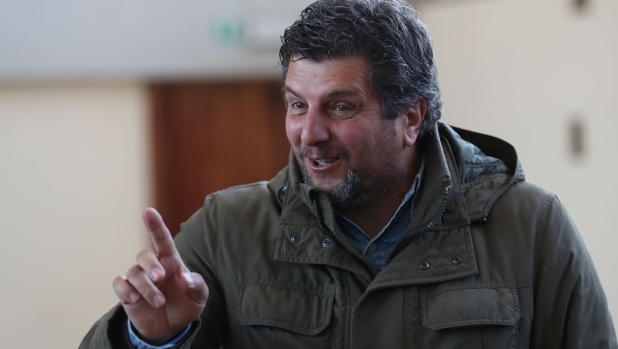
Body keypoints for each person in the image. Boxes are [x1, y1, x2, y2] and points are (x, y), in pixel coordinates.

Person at [80, 0, 617, 348]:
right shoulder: (227, 228)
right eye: (296, 105)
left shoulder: (532, 228)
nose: (308, 133)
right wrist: (150, 339)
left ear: (410, 118)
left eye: (339, 107)